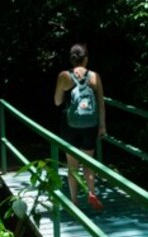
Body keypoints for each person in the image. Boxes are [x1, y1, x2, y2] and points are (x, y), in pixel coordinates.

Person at [54, 43, 106, 211]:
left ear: (71, 59)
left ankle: (74, 201)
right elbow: (101, 104)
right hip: (90, 125)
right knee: (88, 164)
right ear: (86, 59)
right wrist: (102, 126)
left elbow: (57, 101)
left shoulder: (64, 76)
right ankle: (91, 193)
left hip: (70, 126)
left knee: (72, 166)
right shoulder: (94, 76)